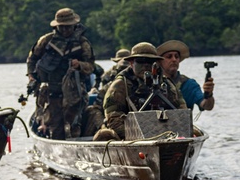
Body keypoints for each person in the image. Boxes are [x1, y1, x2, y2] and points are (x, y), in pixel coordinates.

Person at [26, 8, 96, 139]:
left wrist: (79, 65)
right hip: (51, 92)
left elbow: (91, 66)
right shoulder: (46, 41)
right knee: (55, 125)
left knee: (74, 125)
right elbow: (32, 59)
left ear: (74, 25)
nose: (65, 30)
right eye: (62, 27)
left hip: (74, 91)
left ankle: (74, 148)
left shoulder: (82, 43)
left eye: (68, 27)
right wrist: (31, 75)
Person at [95, 42, 186, 140]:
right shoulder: (121, 85)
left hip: (163, 133)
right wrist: (136, 137)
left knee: (195, 131)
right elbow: (113, 118)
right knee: (105, 135)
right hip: (130, 136)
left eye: (150, 62)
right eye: (140, 61)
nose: (146, 65)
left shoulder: (167, 84)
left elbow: (182, 111)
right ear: (131, 63)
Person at [157, 40, 214, 112]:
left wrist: (209, 94)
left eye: (176, 56)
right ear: (159, 61)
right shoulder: (154, 83)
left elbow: (207, 105)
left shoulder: (189, 84)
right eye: (169, 57)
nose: (174, 59)